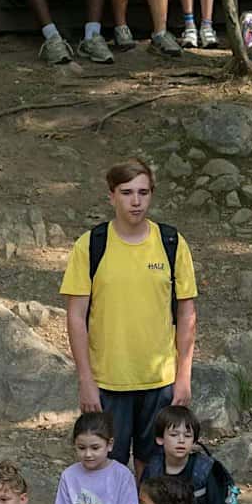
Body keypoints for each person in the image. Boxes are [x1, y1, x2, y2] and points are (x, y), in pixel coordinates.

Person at [61, 158, 199, 470]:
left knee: (156, 467)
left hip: (160, 381)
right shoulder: (91, 245)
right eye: (126, 192)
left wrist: (183, 377)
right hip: (108, 380)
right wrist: (85, 379)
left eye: (143, 192)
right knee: (107, 467)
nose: (136, 201)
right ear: (111, 196)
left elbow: (187, 313)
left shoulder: (171, 243)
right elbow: (75, 316)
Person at [141, 403, 238, 504]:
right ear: (160, 439)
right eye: (174, 435)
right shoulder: (153, 469)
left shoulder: (205, 469)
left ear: (194, 441)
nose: (181, 440)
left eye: (187, 436)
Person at [54, 409, 141, 504]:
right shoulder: (69, 476)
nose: (88, 454)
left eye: (95, 448)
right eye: (81, 448)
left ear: (109, 444)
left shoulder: (122, 475)